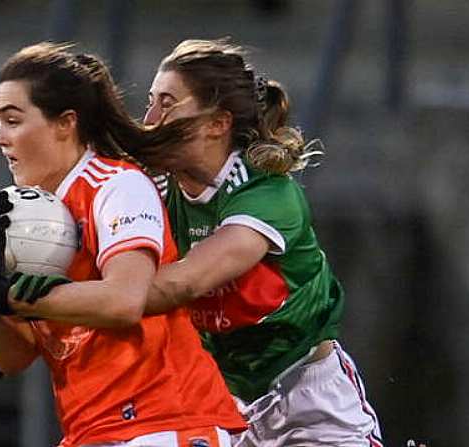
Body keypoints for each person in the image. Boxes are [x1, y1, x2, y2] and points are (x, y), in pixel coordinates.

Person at [0, 42, 246, 447]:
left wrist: (13, 298)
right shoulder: (28, 216)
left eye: (12, 120)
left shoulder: (116, 185)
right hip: (96, 429)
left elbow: (124, 301)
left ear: (66, 123)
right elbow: (14, 356)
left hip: (165, 422)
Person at [127, 38, 384, 447]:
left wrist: (68, 300)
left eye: (169, 104)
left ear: (218, 123)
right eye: (151, 101)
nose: (150, 118)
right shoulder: (152, 189)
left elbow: (183, 284)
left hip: (311, 401)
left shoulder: (267, 194)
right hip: (223, 400)